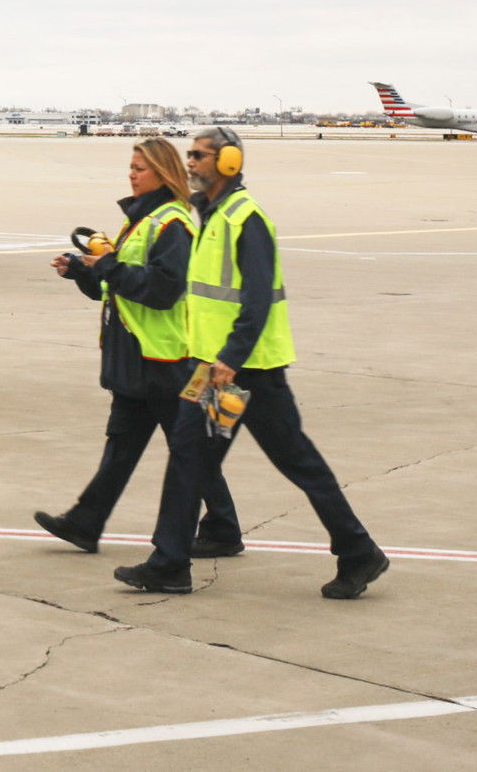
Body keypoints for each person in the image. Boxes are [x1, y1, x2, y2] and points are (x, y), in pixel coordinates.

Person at [113, 124, 389, 600]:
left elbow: (257, 300)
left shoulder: (246, 218)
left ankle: (359, 550)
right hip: (212, 368)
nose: (192, 162)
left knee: (297, 462)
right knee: (188, 459)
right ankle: (170, 563)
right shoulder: (209, 214)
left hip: (247, 370)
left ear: (228, 164)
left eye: (199, 155)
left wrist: (230, 359)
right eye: (191, 155)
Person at [33, 137, 242, 556]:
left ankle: (221, 528)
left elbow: (163, 290)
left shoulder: (172, 224)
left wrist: (107, 265)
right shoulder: (143, 220)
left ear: (162, 173)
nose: (131, 174)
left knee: (186, 448)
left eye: (139, 168)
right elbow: (118, 286)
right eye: (130, 166)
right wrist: (83, 273)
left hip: (165, 359)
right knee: (124, 445)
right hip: (138, 357)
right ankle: (86, 521)